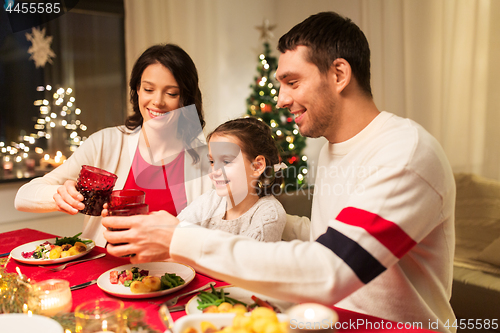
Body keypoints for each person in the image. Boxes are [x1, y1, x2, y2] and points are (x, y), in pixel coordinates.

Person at [103, 12, 456, 333]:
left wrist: (178, 238)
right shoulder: (331, 149)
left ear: (339, 74)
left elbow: (330, 270)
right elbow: (336, 232)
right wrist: (271, 218)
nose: (282, 98)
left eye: (292, 81)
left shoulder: (404, 154)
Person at [15, 44, 212, 247]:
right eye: (148, 89)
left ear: (186, 99)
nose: (157, 101)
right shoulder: (105, 143)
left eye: (171, 93)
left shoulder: (207, 159)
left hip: (177, 275)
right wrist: (61, 196)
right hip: (102, 273)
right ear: (137, 90)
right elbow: (23, 197)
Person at [176, 117, 287, 241]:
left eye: (226, 161)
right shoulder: (209, 200)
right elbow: (173, 233)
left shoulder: (269, 214)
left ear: (257, 166)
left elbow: (245, 258)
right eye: (212, 161)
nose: (215, 171)